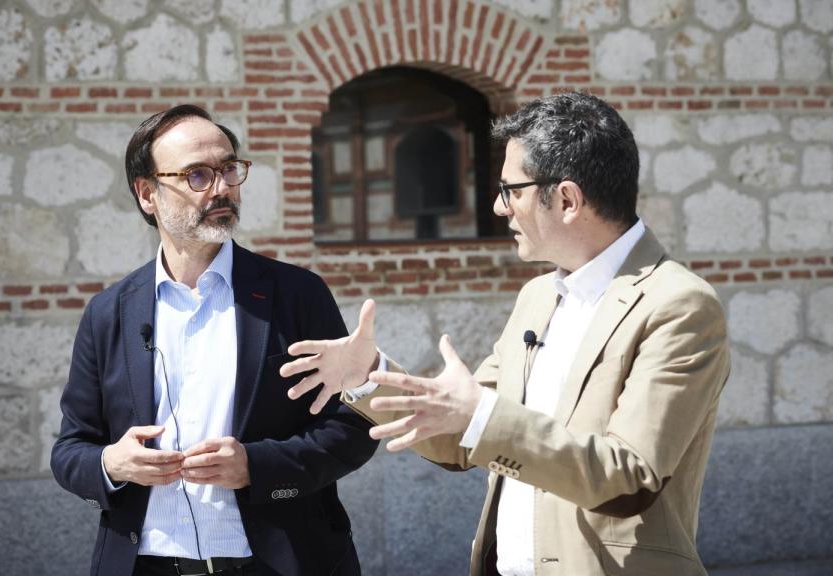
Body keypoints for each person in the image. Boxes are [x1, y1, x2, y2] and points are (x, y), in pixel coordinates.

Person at [280, 92, 730, 576]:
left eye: (511, 189)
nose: (499, 207)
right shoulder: (537, 297)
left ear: (566, 199)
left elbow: (628, 477)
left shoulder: (679, 305)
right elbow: (460, 435)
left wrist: (482, 414)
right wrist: (369, 377)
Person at [51, 104, 378, 576]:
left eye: (228, 168)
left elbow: (350, 428)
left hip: (278, 563)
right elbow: (70, 449)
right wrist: (112, 463)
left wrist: (257, 466)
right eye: (197, 175)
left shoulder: (296, 295)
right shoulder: (109, 313)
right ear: (148, 194)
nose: (222, 187)